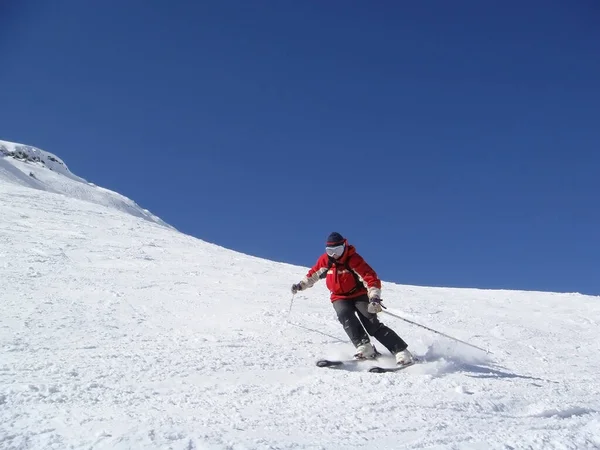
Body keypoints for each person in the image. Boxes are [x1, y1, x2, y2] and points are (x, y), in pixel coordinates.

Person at [291, 232, 414, 366]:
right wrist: (300, 285)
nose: (334, 254)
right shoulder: (326, 260)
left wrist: (374, 297)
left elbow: (370, 278)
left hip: (358, 294)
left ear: (344, 246)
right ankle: (365, 347)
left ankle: (401, 351)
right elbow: (313, 274)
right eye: (330, 251)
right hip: (339, 296)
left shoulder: (353, 259)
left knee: (370, 321)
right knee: (345, 315)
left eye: (337, 250)